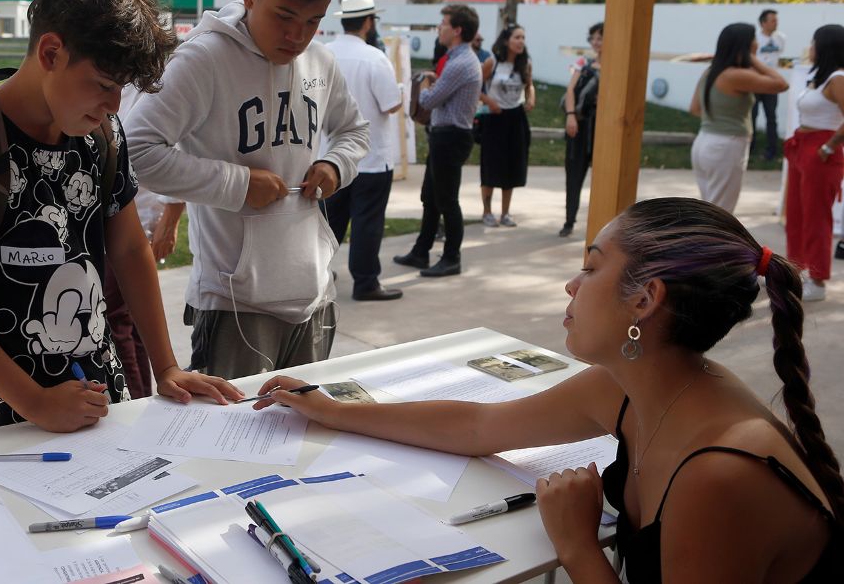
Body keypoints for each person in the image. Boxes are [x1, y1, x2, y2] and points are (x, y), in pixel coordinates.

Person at [254, 197, 844, 583]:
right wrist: (333, 411)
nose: (571, 284)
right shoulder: (631, 387)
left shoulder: (718, 471)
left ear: (645, 299)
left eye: (590, 268)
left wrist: (579, 546)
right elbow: (479, 427)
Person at [0, 0, 242, 435]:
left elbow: (128, 250)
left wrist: (166, 367)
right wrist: (36, 402)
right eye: (104, 86)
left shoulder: (101, 136)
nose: (112, 106)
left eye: (121, 90)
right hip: (1, 412)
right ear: (50, 53)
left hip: (98, 393)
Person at [124, 0, 369, 379]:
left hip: (314, 294)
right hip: (234, 303)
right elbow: (135, 150)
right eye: (284, 16)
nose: (297, 35)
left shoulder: (321, 61)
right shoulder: (204, 60)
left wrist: (336, 165)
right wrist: (237, 184)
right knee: (233, 442)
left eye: (314, 21)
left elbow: (354, 131)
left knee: (304, 435)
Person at [323, 0, 404, 302]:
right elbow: (391, 105)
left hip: (329, 155)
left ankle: (315, 273)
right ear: (369, 22)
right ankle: (366, 281)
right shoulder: (375, 58)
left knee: (328, 222)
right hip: (370, 156)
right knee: (367, 223)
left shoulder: (323, 53)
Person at [393, 4, 482, 277]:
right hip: (447, 136)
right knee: (430, 198)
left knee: (446, 200)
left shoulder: (460, 62)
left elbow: (429, 101)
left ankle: (451, 257)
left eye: (443, 23)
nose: (439, 29)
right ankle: (421, 252)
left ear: (456, 30)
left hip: (450, 137)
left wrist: (423, 82)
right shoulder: (459, 59)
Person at [689, 23, 788, 213]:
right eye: (754, 40)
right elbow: (781, 84)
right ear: (745, 45)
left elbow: (694, 108)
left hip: (704, 141)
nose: (757, 44)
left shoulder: (711, 71)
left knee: (711, 210)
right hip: (726, 145)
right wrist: (753, 60)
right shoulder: (735, 75)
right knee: (721, 214)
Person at [103, 190, 185, 398]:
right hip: (130, 225)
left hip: (128, 229)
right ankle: (142, 398)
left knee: (118, 326)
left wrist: (170, 215)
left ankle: (136, 398)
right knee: (129, 323)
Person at [784, 23, 844, 303]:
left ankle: (817, 281)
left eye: (814, 41)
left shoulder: (838, 78)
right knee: (796, 213)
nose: (810, 46)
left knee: (816, 218)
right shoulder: (820, 77)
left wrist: (829, 146)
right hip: (802, 147)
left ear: (826, 46)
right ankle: (794, 269)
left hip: (821, 151)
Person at [478, 24, 535, 228]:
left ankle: (506, 213)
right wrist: (489, 101)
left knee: (512, 165)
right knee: (491, 165)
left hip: (515, 118)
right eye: (517, 37)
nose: (521, 41)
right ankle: (487, 211)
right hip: (495, 118)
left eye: (523, 37)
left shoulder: (525, 63)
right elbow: (475, 87)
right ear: (506, 40)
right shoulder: (492, 62)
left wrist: (530, 98)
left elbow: (529, 85)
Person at [560, 22, 603, 238]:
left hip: (604, 128)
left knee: (604, 178)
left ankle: (602, 224)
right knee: (574, 173)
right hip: (581, 125)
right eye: (593, 38)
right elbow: (570, 90)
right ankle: (569, 220)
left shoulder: (618, 68)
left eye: (600, 38)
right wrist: (570, 116)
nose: (596, 43)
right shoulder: (584, 63)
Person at [752, 9, 787, 160]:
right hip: (755, 81)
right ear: (763, 23)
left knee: (771, 117)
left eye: (776, 20)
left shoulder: (781, 38)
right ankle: (750, 147)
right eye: (773, 20)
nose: (776, 23)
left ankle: (771, 150)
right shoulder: (754, 39)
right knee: (752, 115)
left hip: (771, 83)